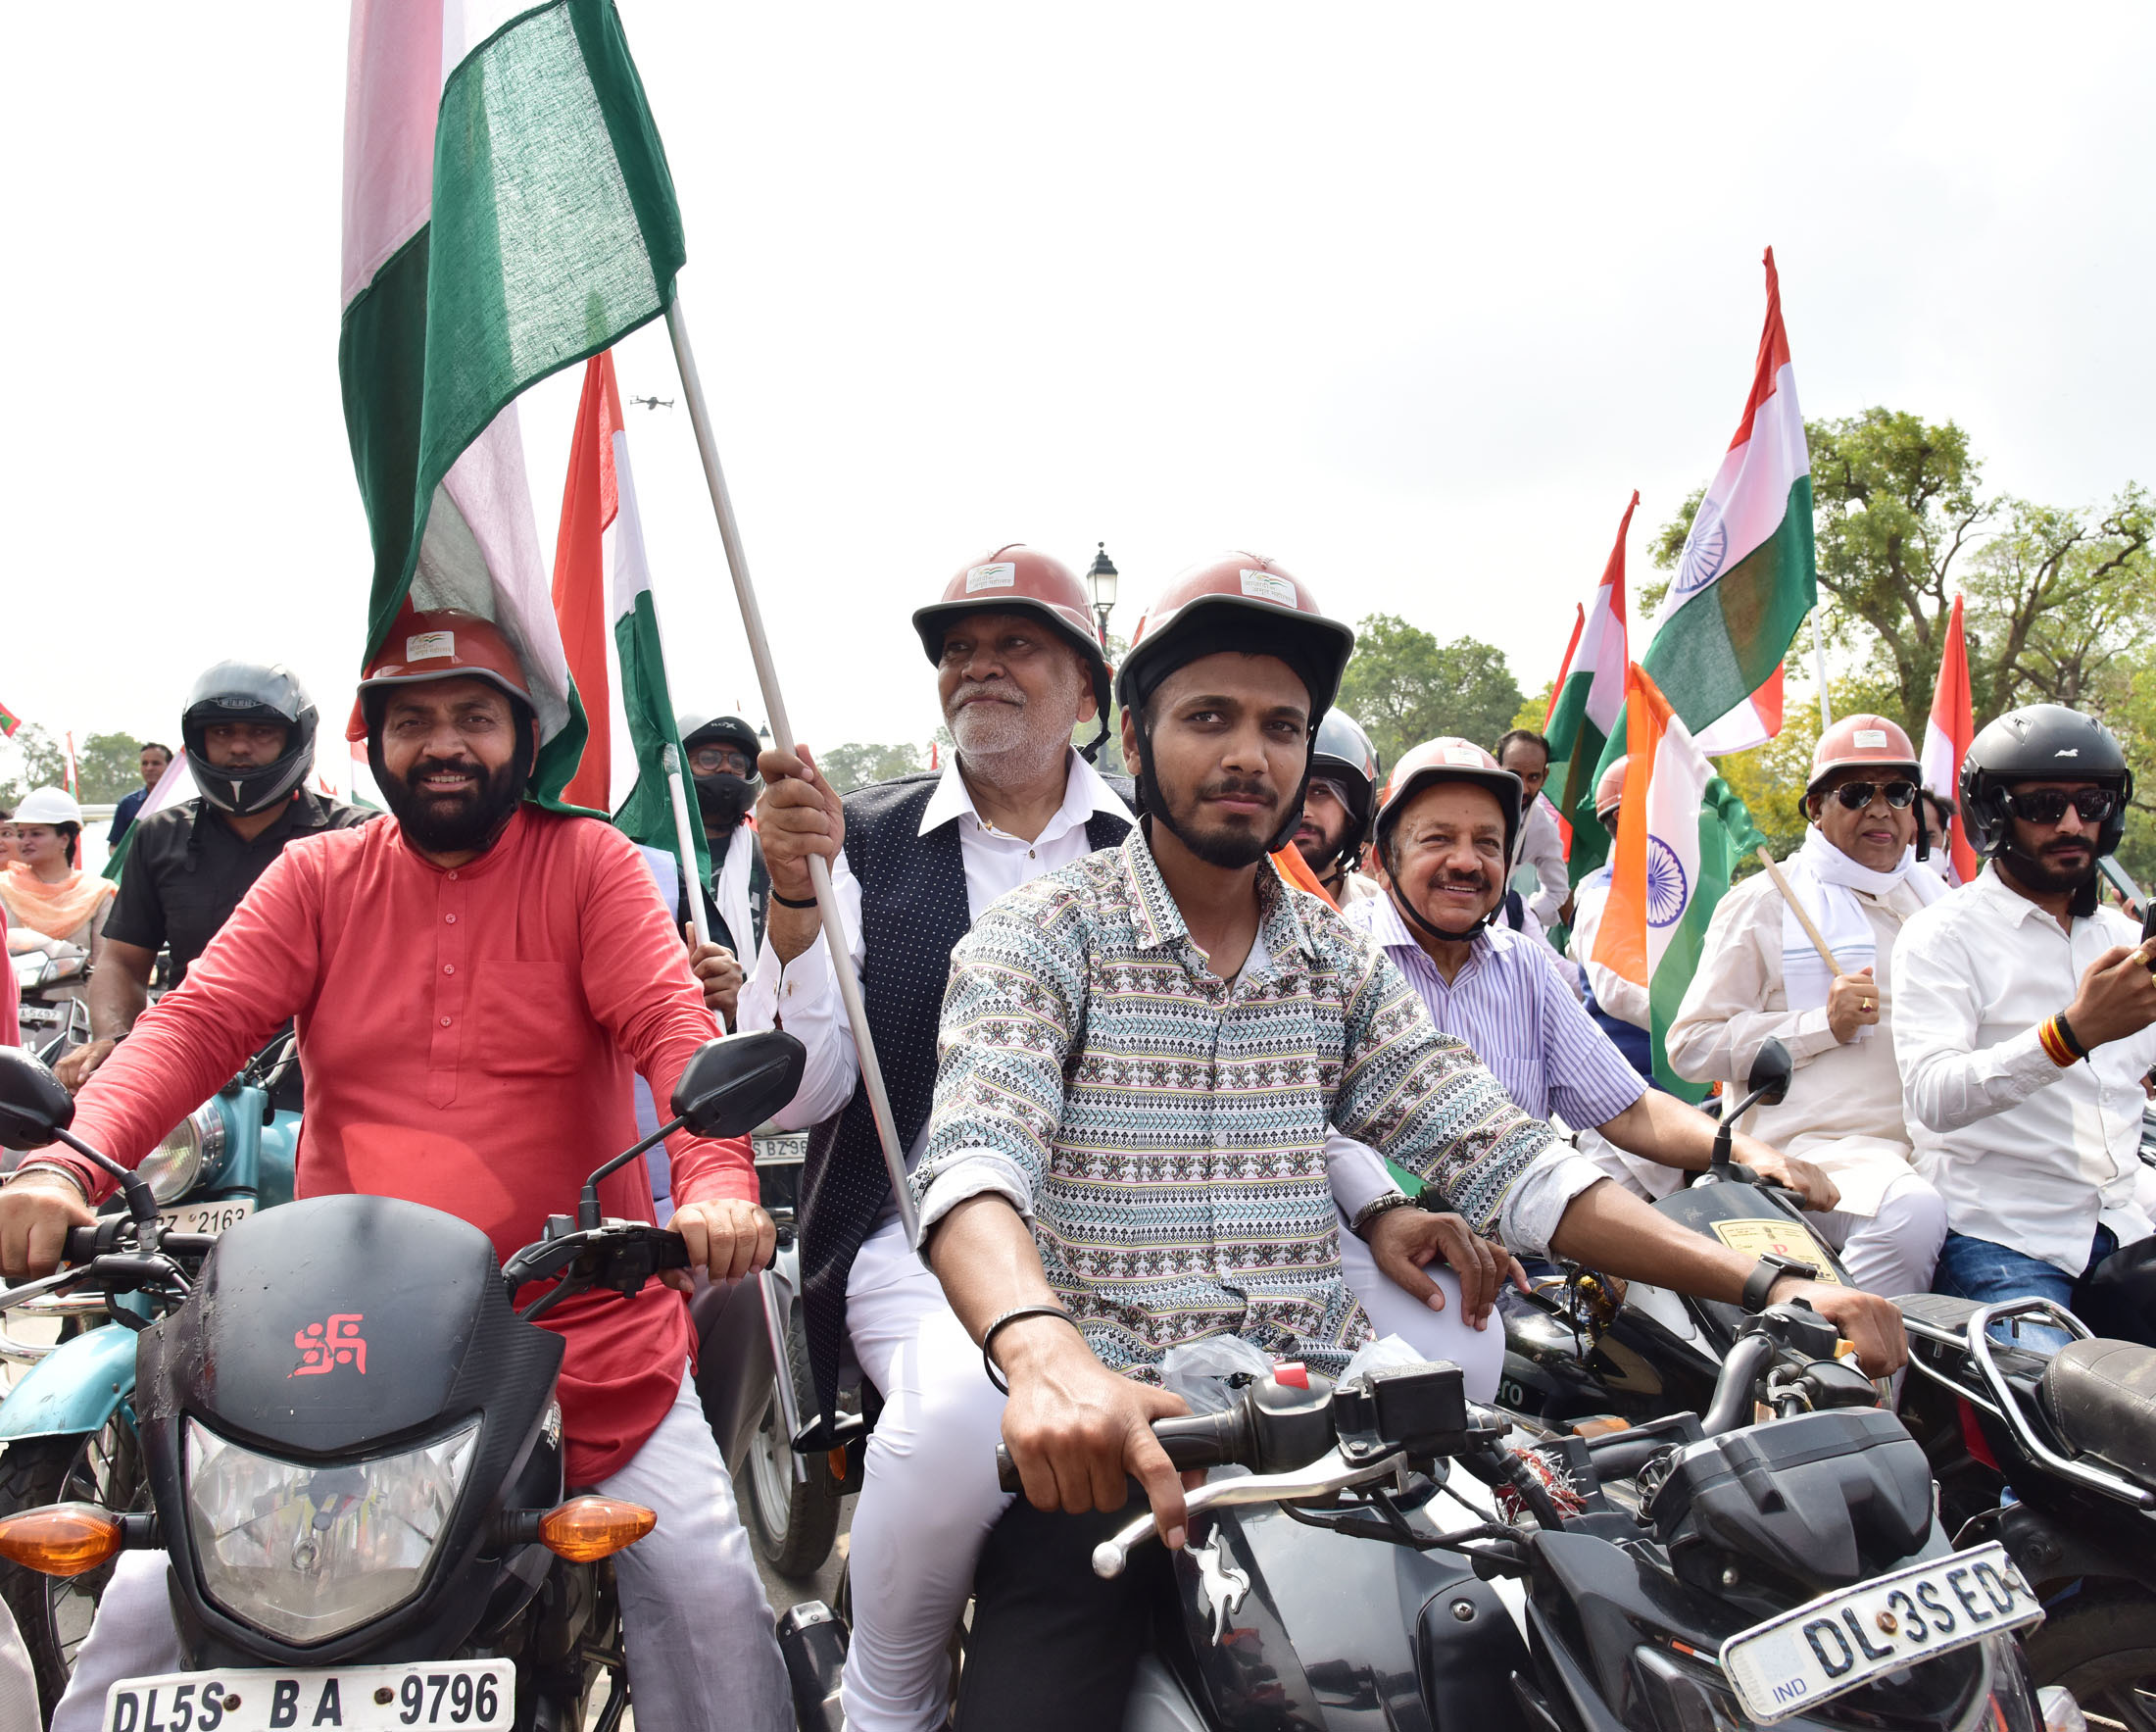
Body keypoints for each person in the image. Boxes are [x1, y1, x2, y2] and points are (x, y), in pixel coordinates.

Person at [911, 557, 1905, 1729]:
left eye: (1282, 726)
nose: (1250, 755)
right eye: (1209, 718)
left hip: (1339, 1444)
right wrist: (1044, 1356)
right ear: (1133, 736)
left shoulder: (1330, 962)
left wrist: (1770, 1279)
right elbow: (977, 1159)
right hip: (1112, 1446)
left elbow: (1502, 1150)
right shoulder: (1043, 933)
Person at [3, 608, 790, 1732]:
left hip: (571, 1327)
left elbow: (678, 1041)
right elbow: (192, 1029)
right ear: (372, 745)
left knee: (708, 1593)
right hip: (337, 1346)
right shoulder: (316, 876)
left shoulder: (590, 866)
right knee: (141, 1613)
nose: (444, 743)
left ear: (526, 740)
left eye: (475, 716)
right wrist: (62, 1168)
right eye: (412, 721)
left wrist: (715, 1184)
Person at [740, 546, 1466, 1732]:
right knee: (950, 1422)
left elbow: (1279, 1074)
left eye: (1017, 643)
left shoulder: (1183, 836)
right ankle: (888, 1695)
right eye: (958, 650)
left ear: (1094, 698)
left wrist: (1380, 1203)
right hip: (927, 1237)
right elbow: (800, 1090)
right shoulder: (847, 837)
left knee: (1451, 1365)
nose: (981, 667)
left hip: (1157, 1249)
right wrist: (792, 900)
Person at [1339, 736, 1842, 1250]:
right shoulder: (1337, 958)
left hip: (1524, 1271)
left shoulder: (1523, 965)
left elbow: (1626, 1109)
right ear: (1383, 860)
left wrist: (1750, 1151)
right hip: (1371, 1264)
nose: (1467, 862)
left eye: (1488, 843)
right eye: (1437, 839)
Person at [1894, 703, 2156, 1340]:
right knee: (2063, 1420)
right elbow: (1931, 1097)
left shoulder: (2123, 936)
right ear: (1993, 812)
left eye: (2090, 804)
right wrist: (2070, 1034)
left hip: (2131, 1215)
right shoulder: (1940, 936)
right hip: (2007, 1236)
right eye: (2043, 805)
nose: (2071, 823)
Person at [1665, 718, 1951, 1298]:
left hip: (1940, 1147)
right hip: (1815, 1158)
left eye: (1897, 792)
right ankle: (1843, 1370)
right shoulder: (1768, 901)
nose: (1880, 809)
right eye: (1855, 793)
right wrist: (1821, 1025)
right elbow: (1690, 1046)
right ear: (1815, 808)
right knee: (1911, 1217)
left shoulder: (1940, 903)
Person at [53, 665, 370, 1092]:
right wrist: (114, 1039)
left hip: (326, 1077)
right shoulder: (158, 835)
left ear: (295, 737)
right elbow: (123, 962)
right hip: (190, 1076)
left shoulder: (358, 836)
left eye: (261, 732)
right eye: (221, 732)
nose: (239, 746)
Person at [1564, 757, 1655, 1078]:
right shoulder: (1605, 898)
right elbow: (1621, 990)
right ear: (1624, 815)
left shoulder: (1675, 896)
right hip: (1631, 1100)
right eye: (1667, 803)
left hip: (1696, 1099)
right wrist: (1702, 1021)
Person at [0, 789, 114, 999]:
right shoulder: (4, 888)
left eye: (36, 833)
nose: (25, 841)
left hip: (75, 1021)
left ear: (64, 839)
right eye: (21, 834)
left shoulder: (97, 894)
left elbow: (104, 971)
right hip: (12, 1019)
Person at [1290, 709, 1383, 907]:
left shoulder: (1380, 910)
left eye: (1320, 792)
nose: (1302, 811)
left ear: (1351, 812)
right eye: (1289, 794)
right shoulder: (1226, 910)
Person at [1496, 726, 1572, 931]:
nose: (1523, 786)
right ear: (1496, 767)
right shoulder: (1467, 805)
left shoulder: (1542, 827)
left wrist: (1522, 915)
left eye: (1533, 777)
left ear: (1545, 777)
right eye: (1514, 774)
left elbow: (1558, 891)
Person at [103, 742, 172, 855]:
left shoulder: (186, 802)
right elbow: (114, 847)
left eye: (156, 763)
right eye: (144, 763)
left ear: (170, 766)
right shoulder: (127, 804)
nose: (149, 768)